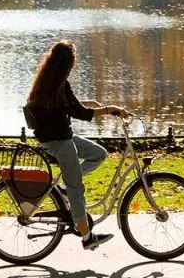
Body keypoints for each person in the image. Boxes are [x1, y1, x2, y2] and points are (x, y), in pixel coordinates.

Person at [23, 40, 129, 251]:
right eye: (72, 63)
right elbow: (79, 113)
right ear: (66, 64)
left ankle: (62, 190)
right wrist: (110, 109)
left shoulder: (48, 81)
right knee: (76, 188)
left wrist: (89, 103)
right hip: (60, 142)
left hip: (59, 138)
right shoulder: (59, 84)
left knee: (98, 154)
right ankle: (87, 236)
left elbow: (69, 106)